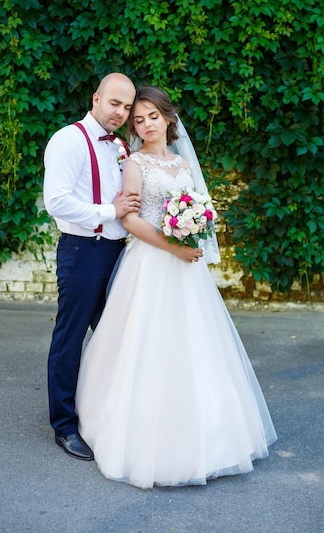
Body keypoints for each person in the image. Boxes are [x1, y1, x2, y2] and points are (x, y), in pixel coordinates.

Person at [75, 86, 277, 488]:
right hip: (150, 263)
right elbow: (130, 221)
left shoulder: (184, 166)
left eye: (152, 116)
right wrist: (174, 246)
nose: (146, 124)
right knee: (146, 343)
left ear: (168, 118)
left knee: (195, 345)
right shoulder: (134, 164)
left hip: (186, 269)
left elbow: (197, 211)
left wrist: (193, 231)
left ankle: (208, 437)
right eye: (138, 120)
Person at [43, 72, 142, 461]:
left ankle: (102, 415)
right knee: (70, 337)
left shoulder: (120, 145)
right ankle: (64, 425)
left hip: (117, 253)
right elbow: (58, 202)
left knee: (112, 338)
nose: (121, 112)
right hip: (82, 252)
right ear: (96, 98)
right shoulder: (69, 140)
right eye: (114, 103)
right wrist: (109, 211)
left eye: (127, 107)